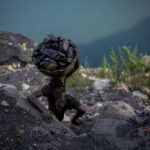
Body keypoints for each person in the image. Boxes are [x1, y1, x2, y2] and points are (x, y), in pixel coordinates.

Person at [27, 57, 86, 125]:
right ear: (53, 81)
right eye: (58, 81)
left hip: (67, 100)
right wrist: (44, 110)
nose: (62, 82)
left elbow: (76, 66)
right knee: (58, 120)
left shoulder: (63, 77)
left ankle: (73, 120)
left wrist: (74, 54)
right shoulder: (49, 88)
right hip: (56, 109)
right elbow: (32, 96)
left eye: (63, 79)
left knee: (82, 109)